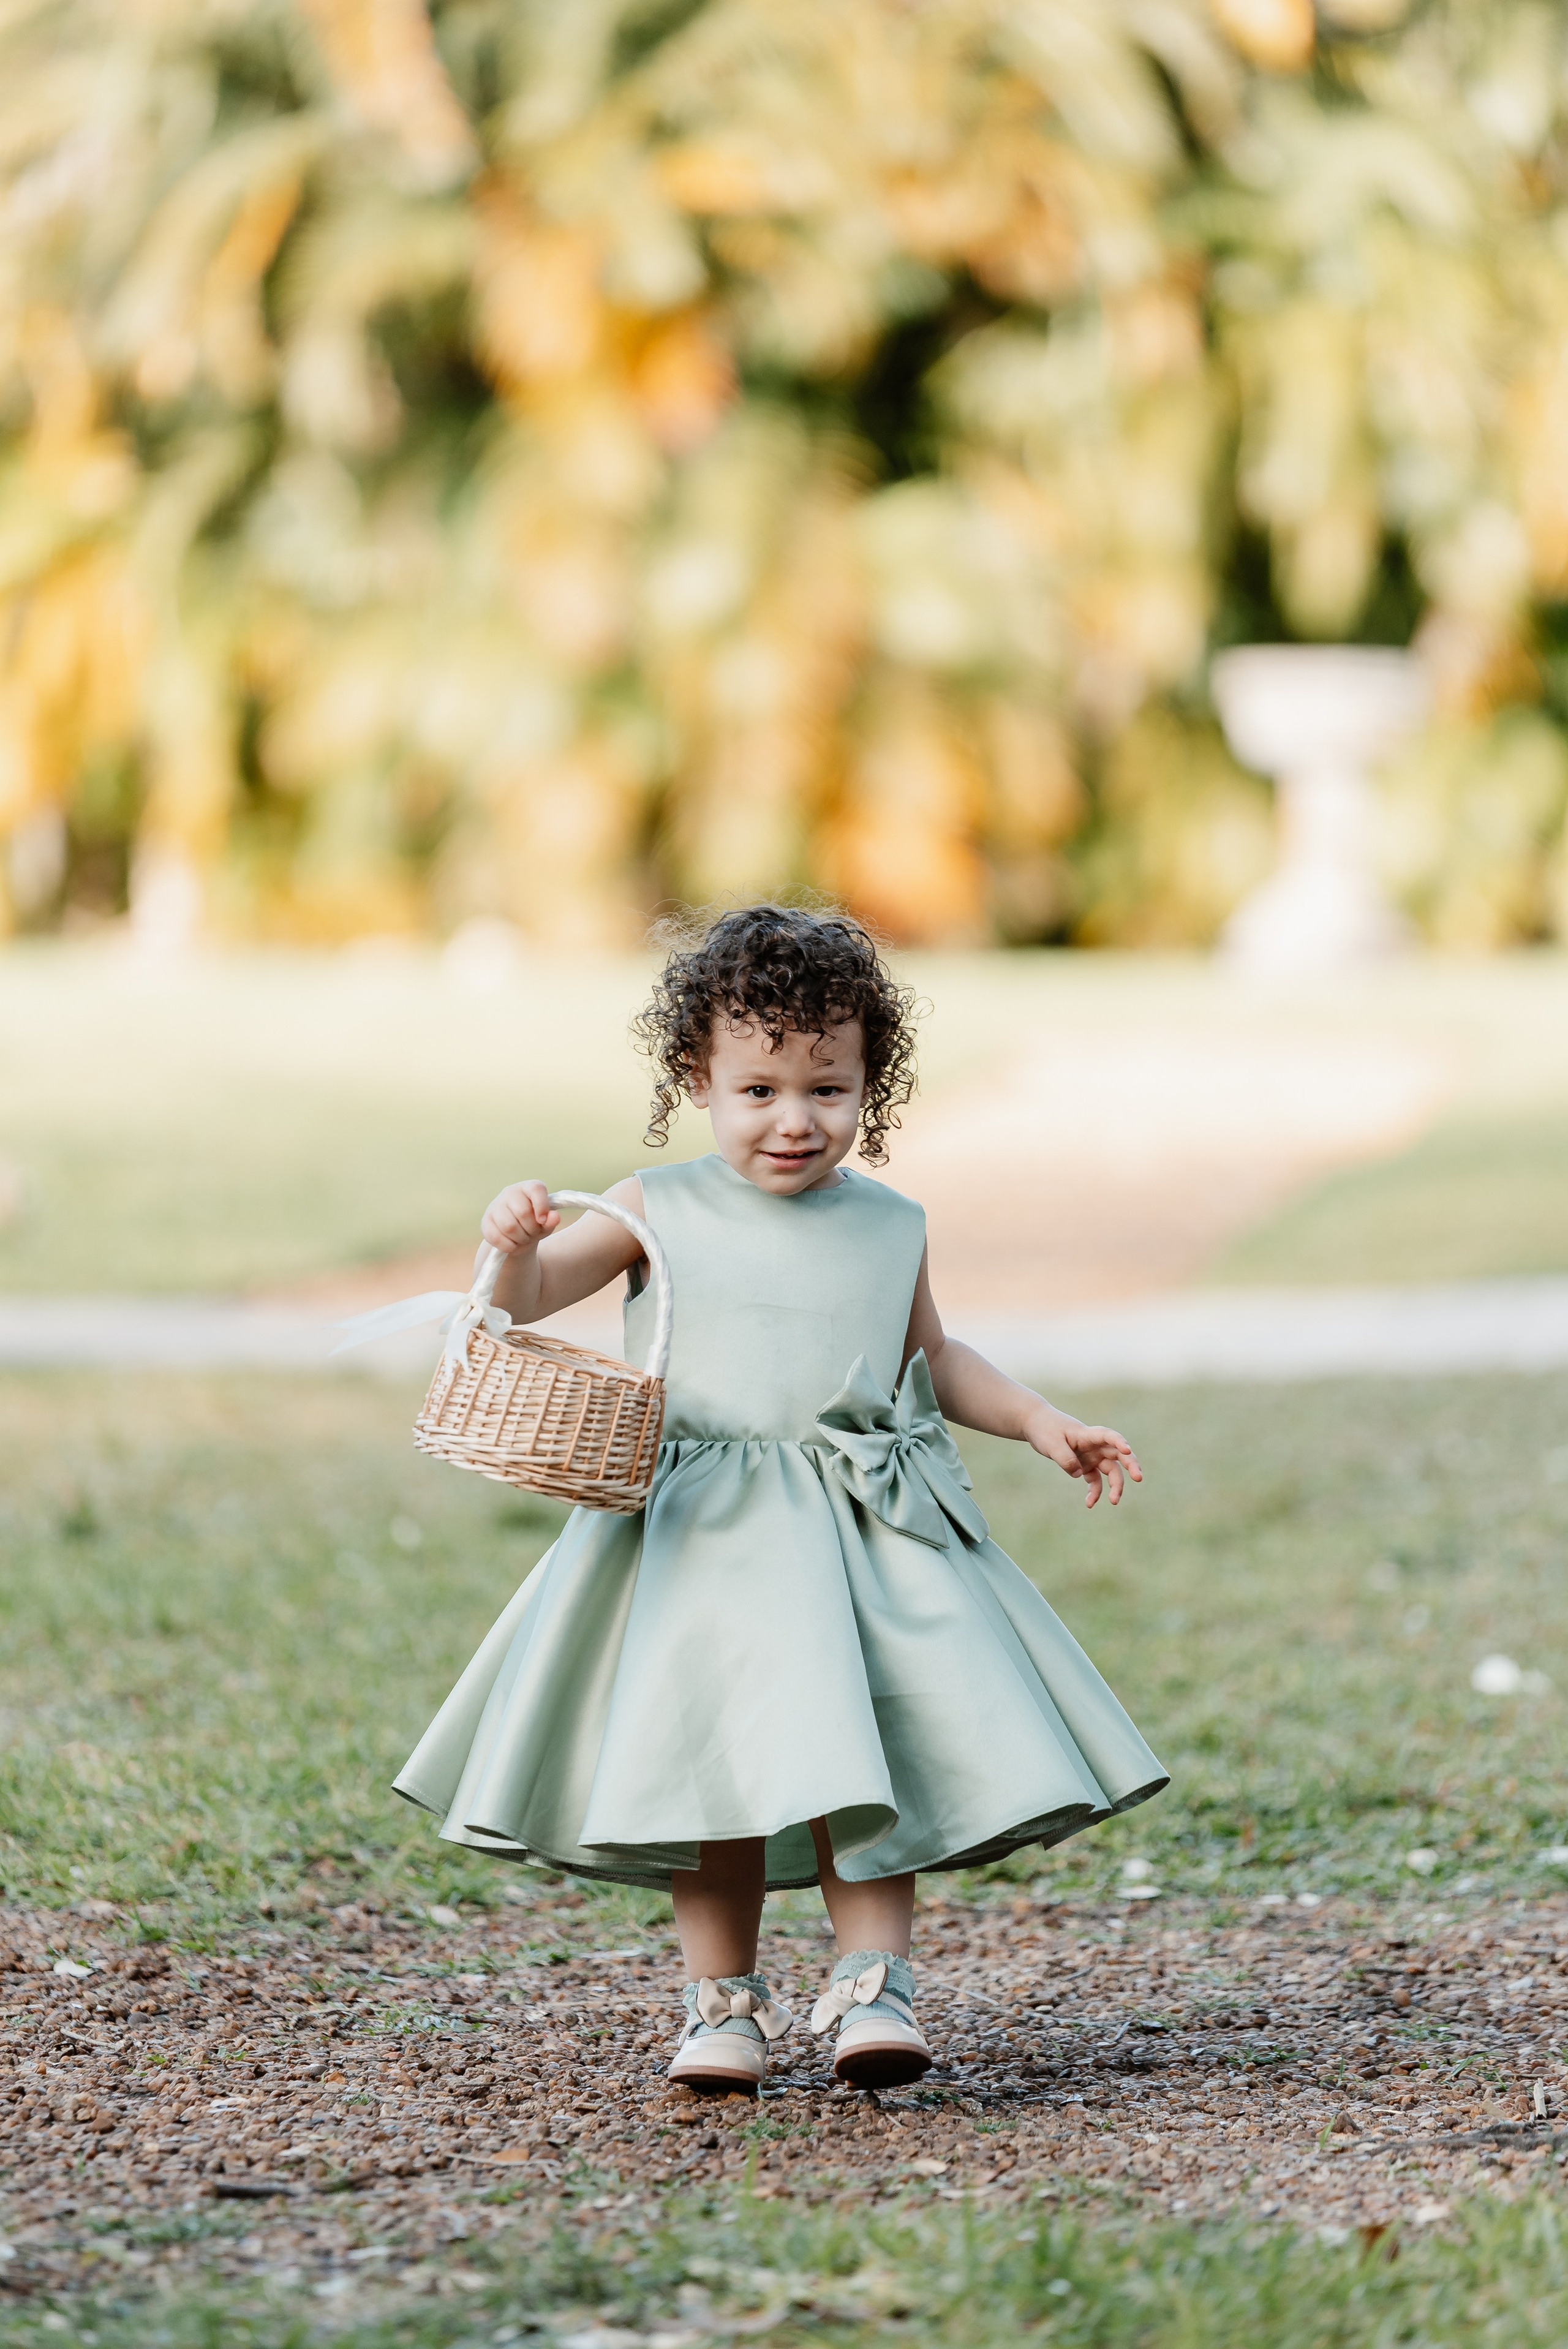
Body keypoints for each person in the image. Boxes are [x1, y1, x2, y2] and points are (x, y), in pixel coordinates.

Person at [394, 905, 1166, 2097]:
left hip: (860, 1532)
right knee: (717, 1774)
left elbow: (935, 1357)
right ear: (698, 1077)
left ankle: (872, 1986)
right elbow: (530, 1297)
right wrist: (505, 1244)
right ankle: (721, 2006)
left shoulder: (888, 1225)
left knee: (869, 1762)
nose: (795, 1119)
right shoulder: (653, 1207)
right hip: (701, 1540)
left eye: (828, 1087)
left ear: (871, 1083)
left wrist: (1037, 1422)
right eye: (758, 1089)